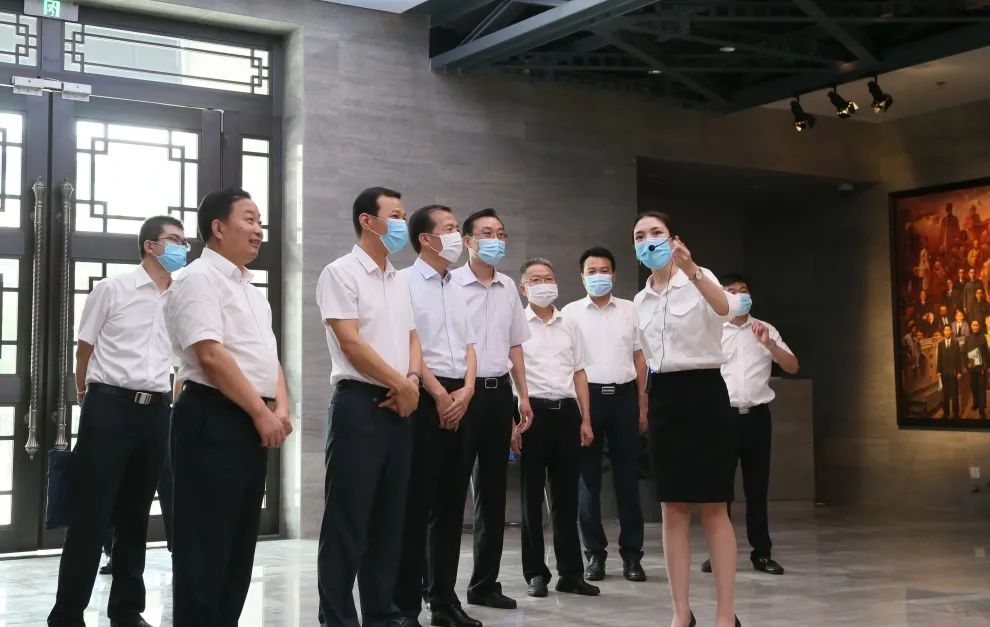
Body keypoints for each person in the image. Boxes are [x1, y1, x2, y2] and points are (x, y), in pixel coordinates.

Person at [48, 216, 186, 627]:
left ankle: (127, 611)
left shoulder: (180, 299)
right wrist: (88, 397)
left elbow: (180, 360)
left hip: (156, 411)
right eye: (173, 240)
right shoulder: (112, 289)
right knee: (90, 515)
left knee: (135, 514)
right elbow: (84, 350)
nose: (182, 248)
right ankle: (67, 614)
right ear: (150, 246)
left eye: (184, 242)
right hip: (109, 407)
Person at [165, 188, 292, 627]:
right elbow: (210, 355)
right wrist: (261, 411)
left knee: (238, 548)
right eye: (249, 219)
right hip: (212, 417)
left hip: (249, 421)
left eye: (260, 222)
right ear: (218, 228)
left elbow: (268, 356)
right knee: (205, 547)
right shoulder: (198, 278)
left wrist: (281, 406)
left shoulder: (252, 291)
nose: (259, 230)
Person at [632, 211, 746, 627]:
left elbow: (727, 308)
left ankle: (725, 614)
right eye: (640, 236)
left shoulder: (700, 278)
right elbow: (646, 357)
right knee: (672, 508)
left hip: (705, 393)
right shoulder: (641, 300)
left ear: (673, 238)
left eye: (656, 233)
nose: (648, 241)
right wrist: (645, 403)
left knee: (714, 506)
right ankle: (681, 612)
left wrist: (692, 269)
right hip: (664, 398)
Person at [316, 187, 421, 627]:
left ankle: (382, 614)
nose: (402, 223)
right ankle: (337, 618)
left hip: (401, 406)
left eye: (403, 215)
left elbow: (413, 337)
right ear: (367, 220)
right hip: (359, 405)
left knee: (388, 522)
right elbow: (351, 342)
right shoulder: (340, 273)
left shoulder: (398, 279)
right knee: (348, 521)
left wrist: (412, 381)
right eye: (394, 215)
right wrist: (401, 383)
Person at [393, 205, 482, 627]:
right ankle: (405, 606)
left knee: (451, 507)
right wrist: (439, 394)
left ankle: (444, 601)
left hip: (460, 397)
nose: (456, 235)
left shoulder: (457, 286)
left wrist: (467, 390)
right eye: (448, 228)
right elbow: (409, 345)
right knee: (417, 507)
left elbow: (470, 346)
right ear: (425, 239)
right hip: (425, 397)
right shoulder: (404, 283)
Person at [450, 208, 533, 611]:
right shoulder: (451, 284)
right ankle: (437, 588)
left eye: (501, 233)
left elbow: (515, 345)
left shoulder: (508, 287)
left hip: (499, 395)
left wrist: (523, 396)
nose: (496, 240)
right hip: (460, 395)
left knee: (493, 493)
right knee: (450, 492)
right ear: (468, 241)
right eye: (486, 233)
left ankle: (484, 584)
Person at [698, 273, 800, 578]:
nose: (740, 296)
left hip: (756, 417)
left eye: (743, 291)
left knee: (757, 489)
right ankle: (719, 552)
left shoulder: (765, 329)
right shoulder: (712, 330)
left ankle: (762, 553)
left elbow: (792, 365)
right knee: (720, 491)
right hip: (722, 418)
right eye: (732, 291)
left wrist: (769, 345)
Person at [513, 258, 599, 599]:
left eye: (548, 278)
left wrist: (585, 418)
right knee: (532, 500)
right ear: (523, 288)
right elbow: (507, 374)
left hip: (566, 414)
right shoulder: (516, 324)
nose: (543, 284)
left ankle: (571, 573)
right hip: (530, 414)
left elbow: (579, 372)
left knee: (566, 499)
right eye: (535, 280)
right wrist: (512, 423)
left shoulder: (570, 324)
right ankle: (536, 573)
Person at [561, 247, 648, 583]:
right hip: (587, 401)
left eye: (604, 270)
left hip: (624, 398)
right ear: (582, 277)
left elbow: (640, 360)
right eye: (592, 271)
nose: (599, 276)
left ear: (614, 275)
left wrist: (643, 405)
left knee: (628, 481)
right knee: (588, 483)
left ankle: (632, 555)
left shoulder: (630, 310)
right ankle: (594, 554)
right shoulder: (570, 313)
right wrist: (580, 412)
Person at [964, 320, 990, 419]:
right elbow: (964, 352)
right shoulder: (968, 338)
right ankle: (976, 403)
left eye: (976, 325)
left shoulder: (983, 337)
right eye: (973, 325)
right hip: (971, 368)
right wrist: (967, 364)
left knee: (981, 388)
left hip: (981, 368)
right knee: (974, 387)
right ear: (971, 327)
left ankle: (982, 409)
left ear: (979, 327)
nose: (975, 327)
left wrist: (985, 367)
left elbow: (986, 354)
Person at [937, 324, 964, 418]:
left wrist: (959, 371)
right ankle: (946, 413)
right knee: (945, 395)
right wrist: (938, 371)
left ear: (951, 331)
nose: (947, 332)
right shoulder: (940, 344)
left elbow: (959, 359)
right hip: (944, 373)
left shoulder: (955, 343)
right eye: (945, 330)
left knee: (954, 394)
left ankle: (956, 414)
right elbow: (939, 358)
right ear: (943, 332)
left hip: (953, 373)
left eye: (949, 330)